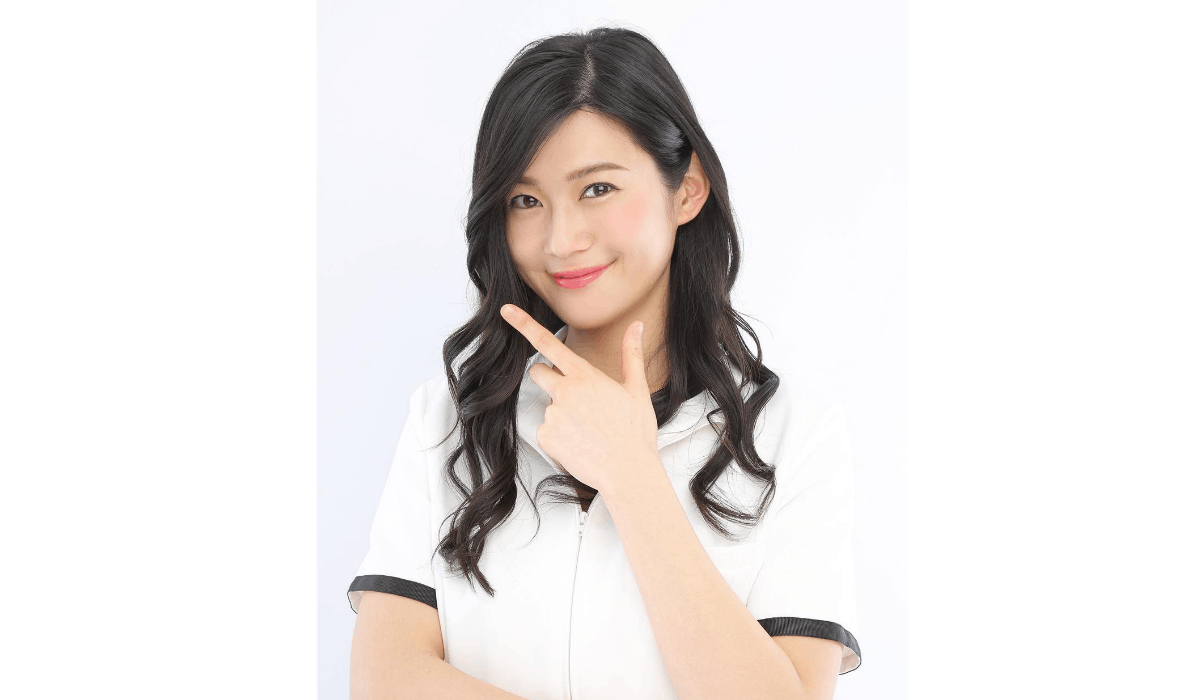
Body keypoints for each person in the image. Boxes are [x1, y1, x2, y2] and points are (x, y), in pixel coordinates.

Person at [348, 26, 862, 700]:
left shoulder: (793, 434)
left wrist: (632, 475)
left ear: (688, 189)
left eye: (596, 189)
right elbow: (383, 680)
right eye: (526, 201)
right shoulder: (447, 420)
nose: (561, 240)